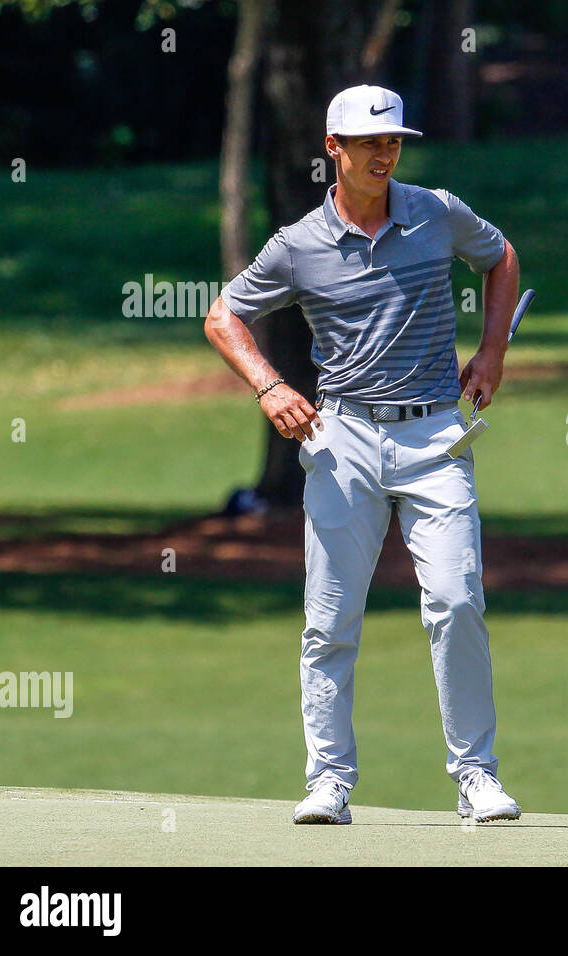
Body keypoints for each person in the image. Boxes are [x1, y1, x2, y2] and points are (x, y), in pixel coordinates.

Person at [204, 84, 521, 824]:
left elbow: (500, 258)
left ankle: (476, 776)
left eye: (394, 141)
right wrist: (270, 387)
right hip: (342, 438)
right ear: (333, 150)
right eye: (369, 142)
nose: (385, 153)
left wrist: (492, 351)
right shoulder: (297, 246)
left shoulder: (436, 213)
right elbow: (225, 317)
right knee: (330, 616)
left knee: (455, 600)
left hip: (436, 436)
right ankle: (327, 782)